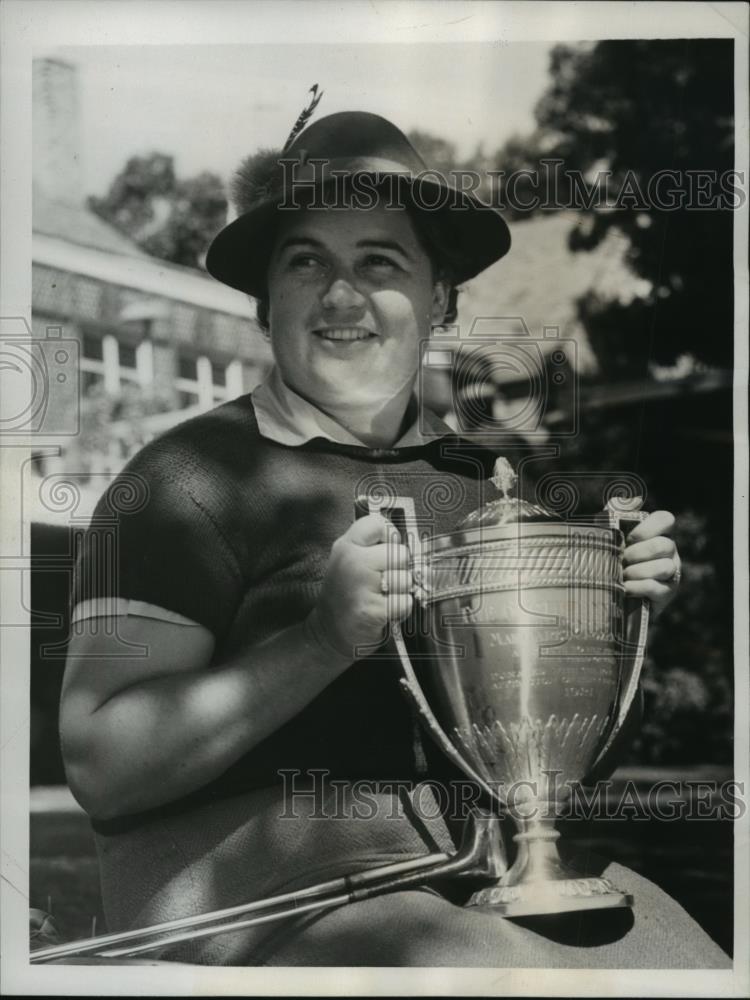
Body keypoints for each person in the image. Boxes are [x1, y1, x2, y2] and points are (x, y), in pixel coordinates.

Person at [60, 108, 728, 968]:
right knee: (498, 978)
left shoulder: (486, 484)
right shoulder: (181, 480)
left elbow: (550, 770)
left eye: (380, 261)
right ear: (266, 303)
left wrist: (619, 624)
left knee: (694, 964)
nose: (341, 295)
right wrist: (320, 641)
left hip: (477, 880)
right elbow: (102, 763)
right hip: (258, 906)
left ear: (439, 296)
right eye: (307, 263)